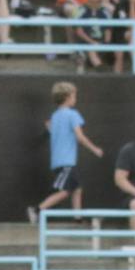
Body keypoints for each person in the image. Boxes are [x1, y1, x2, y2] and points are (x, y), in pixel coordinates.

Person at [37, 80, 103, 217]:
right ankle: (38, 210)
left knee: (77, 188)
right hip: (66, 161)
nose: (75, 99)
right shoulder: (73, 114)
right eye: (74, 96)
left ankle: (77, 218)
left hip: (58, 161)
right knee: (64, 191)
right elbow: (80, 137)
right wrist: (95, 149)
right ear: (67, 97)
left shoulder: (54, 116)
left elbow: (51, 132)